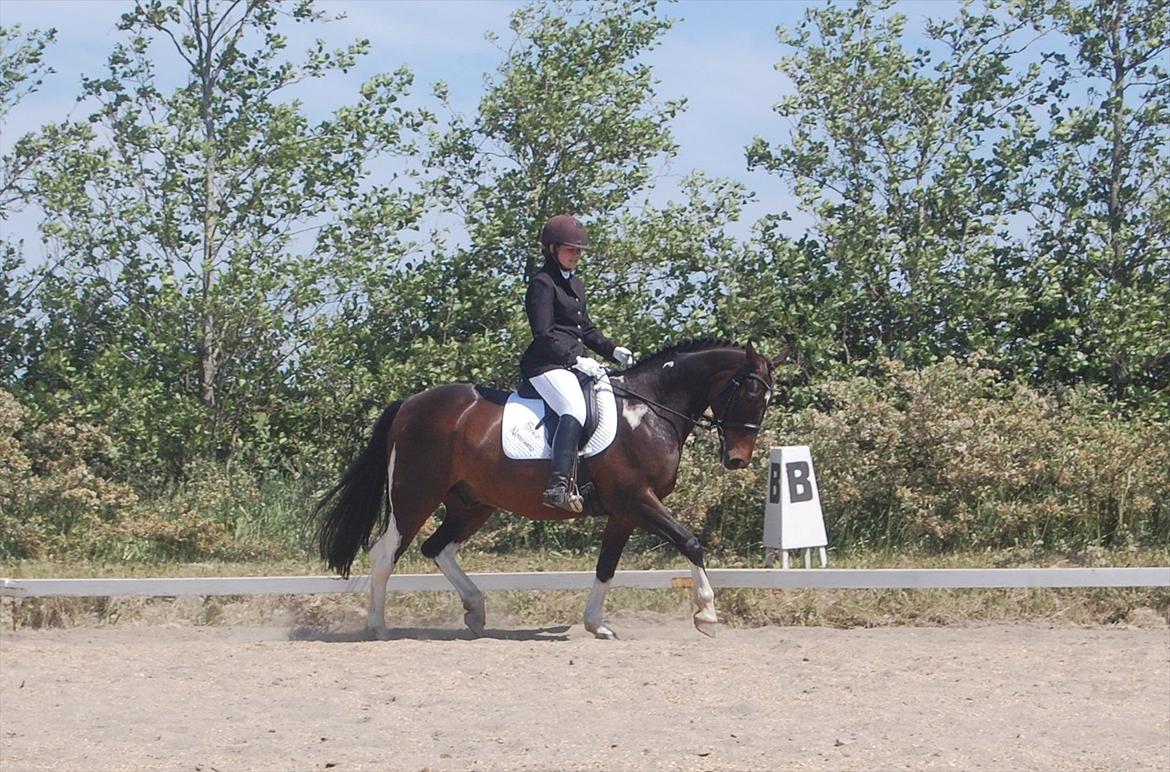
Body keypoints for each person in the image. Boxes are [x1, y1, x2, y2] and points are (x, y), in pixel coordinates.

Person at [521, 214, 634, 511]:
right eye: (570, 249)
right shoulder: (543, 284)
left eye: (579, 251)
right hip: (545, 365)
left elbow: (587, 331)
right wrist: (577, 360)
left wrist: (613, 351)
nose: (576, 255)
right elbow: (543, 334)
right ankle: (557, 485)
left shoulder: (576, 285)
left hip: (571, 363)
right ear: (552, 249)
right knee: (573, 407)